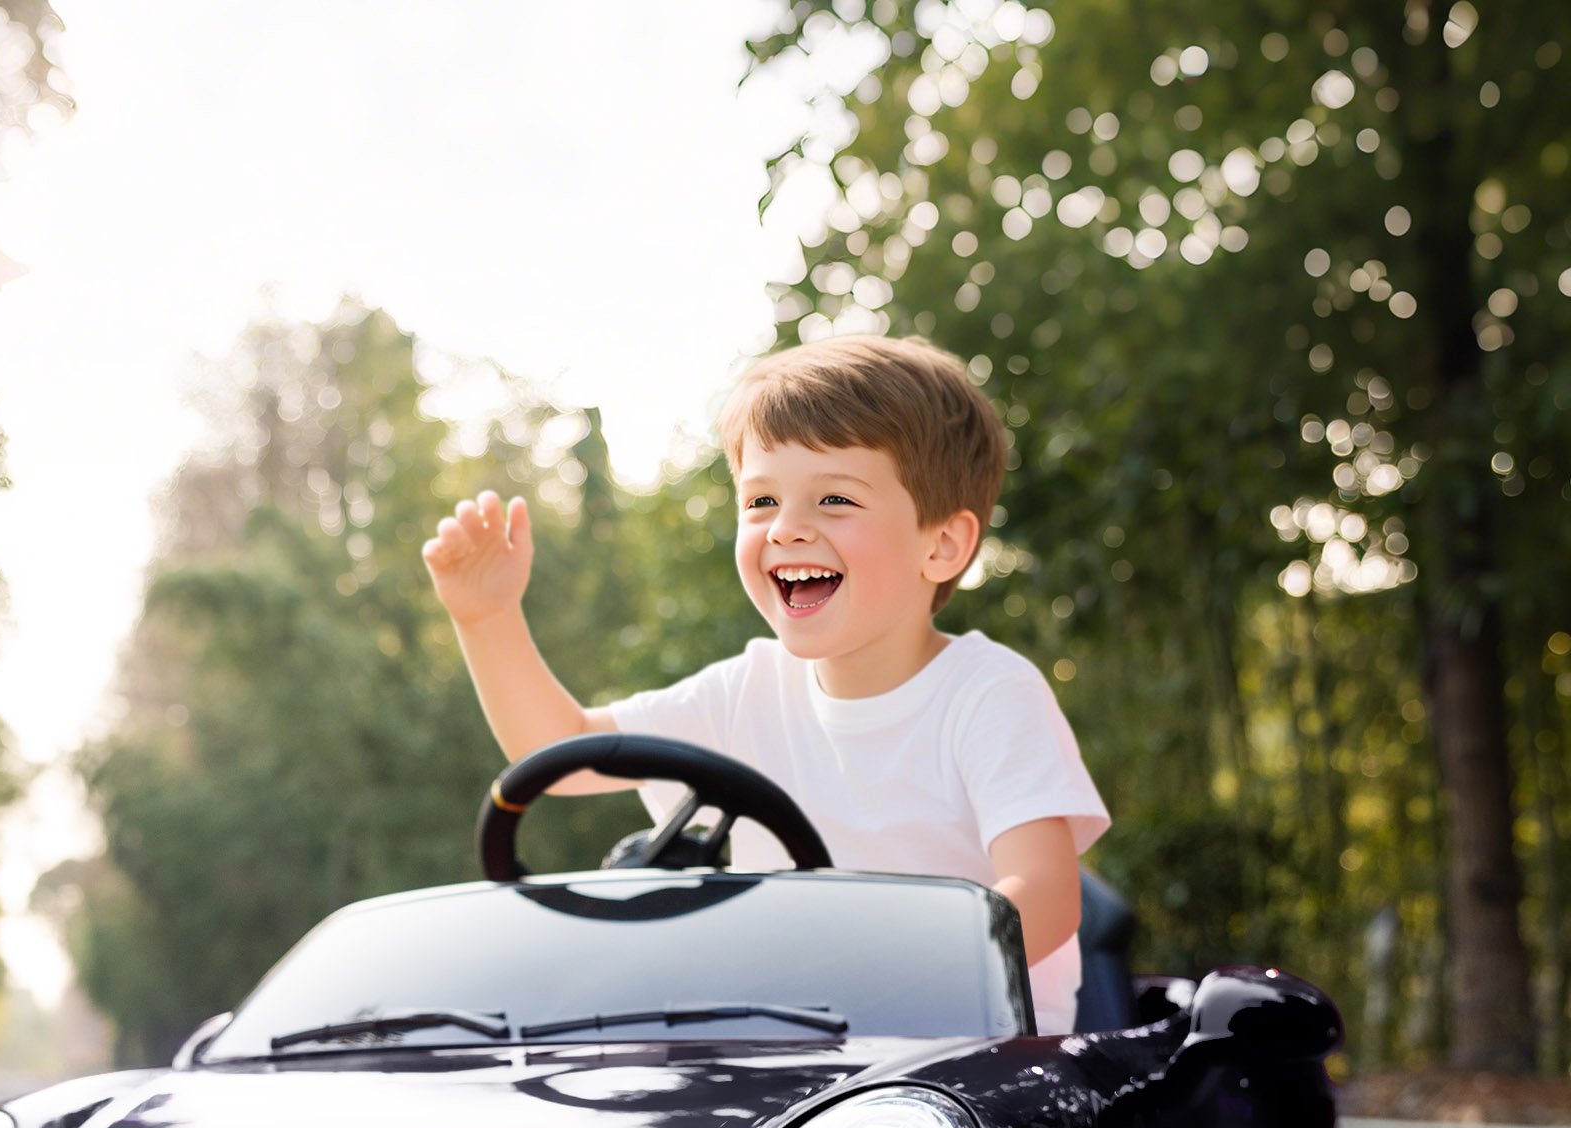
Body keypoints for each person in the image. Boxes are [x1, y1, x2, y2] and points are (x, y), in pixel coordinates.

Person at [420, 334, 1109, 1033]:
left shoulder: (986, 693)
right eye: (761, 502)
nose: (785, 529)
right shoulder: (747, 691)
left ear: (942, 545)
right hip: (800, 1060)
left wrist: (871, 971)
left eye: (834, 499)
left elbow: (1047, 896)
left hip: (978, 1058)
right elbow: (561, 753)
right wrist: (488, 619)